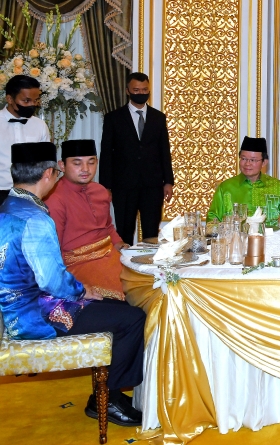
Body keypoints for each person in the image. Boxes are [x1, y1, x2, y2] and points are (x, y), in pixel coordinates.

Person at [0, 142, 145, 426]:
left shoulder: (10, 206)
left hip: (19, 305)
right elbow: (51, 280)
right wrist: (81, 290)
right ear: (49, 173)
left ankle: (107, 392)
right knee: (133, 318)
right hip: (36, 314)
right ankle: (108, 399)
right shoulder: (36, 218)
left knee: (119, 310)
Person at [46, 140, 128, 299]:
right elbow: (53, 251)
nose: (85, 169)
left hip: (110, 255)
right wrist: (69, 285)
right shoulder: (54, 198)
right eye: (77, 163)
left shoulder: (100, 191)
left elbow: (108, 226)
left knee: (152, 281)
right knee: (131, 293)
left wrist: (120, 245)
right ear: (62, 166)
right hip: (78, 264)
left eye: (91, 162)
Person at [100, 72, 174, 243]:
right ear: (127, 91)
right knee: (124, 231)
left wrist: (168, 181)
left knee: (151, 232)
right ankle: (124, 260)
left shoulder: (158, 117)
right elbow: (106, 153)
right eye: (136, 90)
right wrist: (106, 186)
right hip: (123, 185)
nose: (141, 93)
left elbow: (164, 150)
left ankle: (149, 260)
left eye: (144, 90)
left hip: (153, 185)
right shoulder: (113, 118)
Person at [207, 137, 280, 228]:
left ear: (264, 162)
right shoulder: (226, 187)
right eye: (243, 159)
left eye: (253, 160)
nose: (247, 164)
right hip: (237, 236)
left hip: (271, 236)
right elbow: (213, 218)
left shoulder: (277, 186)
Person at [0, 76, 50, 203]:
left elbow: (45, 161)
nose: (32, 105)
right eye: (26, 101)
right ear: (10, 99)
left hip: (30, 194)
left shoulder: (40, 125)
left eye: (36, 100)